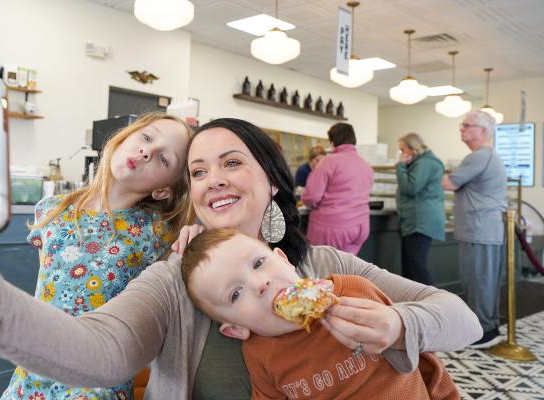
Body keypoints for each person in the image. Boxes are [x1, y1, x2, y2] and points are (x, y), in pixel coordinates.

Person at [0, 118, 481, 400]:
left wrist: (396, 322)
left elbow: (463, 320)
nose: (214, 179)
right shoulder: (172, 279)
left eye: (231, 162)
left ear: (272, 181)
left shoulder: (327, 267)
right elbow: (100, 351)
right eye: (197, 172)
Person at [1, 112, 192, 400]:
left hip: (97, 381)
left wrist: (195, 232)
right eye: (147, 137)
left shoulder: (159, 232)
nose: (146, 152)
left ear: (164, 189)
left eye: (164, 160)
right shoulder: (52, 209)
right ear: (127, 136)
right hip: (34, 372)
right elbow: (44, 292)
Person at [181, 227, 459, 400]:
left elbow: (422, 358)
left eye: (258, 263)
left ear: (284, 261)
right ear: (235, 329)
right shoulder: (259, 355)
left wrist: (398, 327)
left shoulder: (354, 289)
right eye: (236, 294)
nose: (260, 284)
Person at [442, 110, 507, 349]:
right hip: (483, 230)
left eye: (467, 125)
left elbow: (448, 183)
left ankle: (484, 332)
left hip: (480, 230)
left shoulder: (479, 156)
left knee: (479, 281)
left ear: (483, 131)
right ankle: (487, 328)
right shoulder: (486, 156)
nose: (462, 128)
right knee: (483, 281)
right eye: (462, 125)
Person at [302, 122, 373, 255]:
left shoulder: (329, 161)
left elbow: (311, 196)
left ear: (332, 141)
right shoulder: (365, 165)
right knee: (346, 269)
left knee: (322, 270)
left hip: (333, 227)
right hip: (360, 227)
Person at [396, 132, 445, 285]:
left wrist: (400, 166)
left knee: (416, 267)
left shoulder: (424, 163)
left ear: (413, 149)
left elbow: (410, 187)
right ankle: (414, 305)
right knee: (411, 266)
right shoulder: (425, 162)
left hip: (419, 221)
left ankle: (434, 304)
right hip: (416, 220)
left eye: (402, 149)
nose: (402, 154)